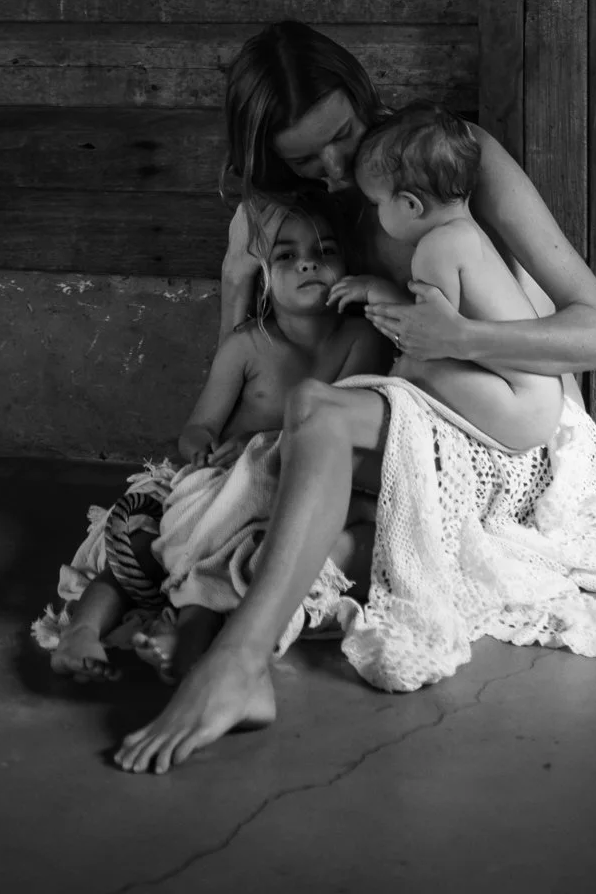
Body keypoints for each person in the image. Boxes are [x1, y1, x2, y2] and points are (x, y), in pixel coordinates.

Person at [116, 19, 596, 774]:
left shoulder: (445, 158)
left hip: (503, 418)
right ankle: (242, 642)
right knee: (254, 482)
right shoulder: (291, 210)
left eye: (345, 133)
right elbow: (252, 341)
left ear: (366, 98)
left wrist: (454, 337)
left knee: (316, 421)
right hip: (402, 415)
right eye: (303, 157)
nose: (333, 166)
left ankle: (234, 662)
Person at [42, 195, 390, 683]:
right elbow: (198, 426)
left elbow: (335, 429)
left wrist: (258, 437)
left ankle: (184, 638)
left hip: (289, 494)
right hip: (220, 486)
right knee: (142, 545)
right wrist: (202, 446)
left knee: (241, 561)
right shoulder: (248, 344)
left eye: (325, 251)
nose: (309, 262)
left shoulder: (360, 338)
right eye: (286, 256)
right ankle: (81, 630)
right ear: (264, 277)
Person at [329, 103, 564, 454]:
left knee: (410, 368)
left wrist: (378, 292)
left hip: (519, 410)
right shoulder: (467, 234)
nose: (376, 214)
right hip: (541, 399)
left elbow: (423, 336)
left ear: (410, 205)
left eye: (376, 203)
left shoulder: (434, 250)